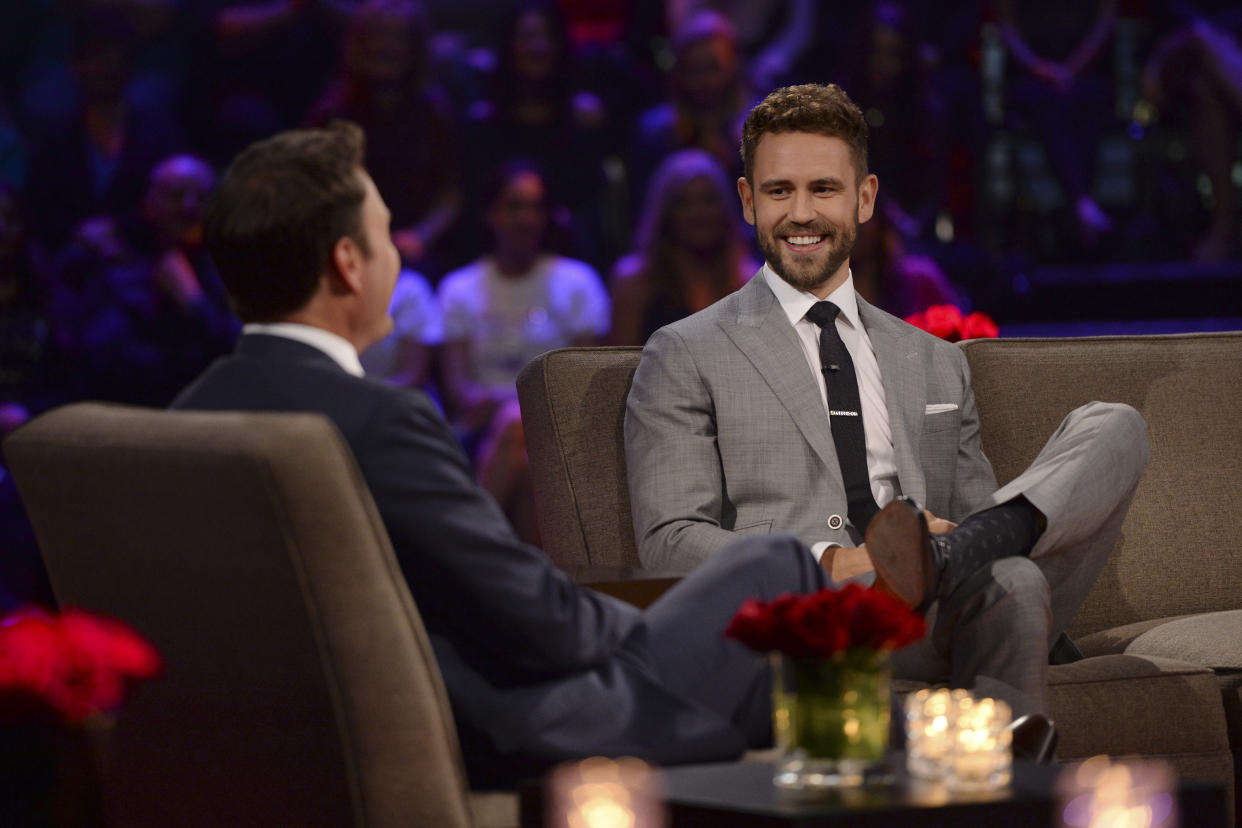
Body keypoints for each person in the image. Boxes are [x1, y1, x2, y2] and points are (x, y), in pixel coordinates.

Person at [170, 122, 844, 786]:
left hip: (296, 741)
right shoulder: (378, 423)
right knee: (776, 560)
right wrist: (640, 617)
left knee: (760, 673)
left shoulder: (185, 421)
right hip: (505, 727)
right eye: (383, 235)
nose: (397, 256)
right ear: (348, 263)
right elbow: (539, 623)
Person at [624, 84, 1150, 716]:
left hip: (940, 609)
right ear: (747, 201)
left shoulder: (933, 360)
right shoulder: (685, 351)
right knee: (1012, 580)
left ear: (864, 198)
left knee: (1112, 430)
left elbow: (976, 511)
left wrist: (945, 555)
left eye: (823, 189)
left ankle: (944, 564)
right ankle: (1015, 796)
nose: (800, 214)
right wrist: (841, 560)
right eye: (778, 191)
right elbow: (670, 539)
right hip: (810, 622)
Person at [438, 159, 609, 543]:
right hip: (482, 432)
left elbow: (586, 383)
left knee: (526, 439)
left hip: (561, 427)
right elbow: (459, 391)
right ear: (491, 214)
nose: (525, 219)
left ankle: (473, 545)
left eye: (535, 207)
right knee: (522, 440)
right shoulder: (460, 288)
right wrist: (512, 406)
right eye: (514, 206)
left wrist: (517, 405)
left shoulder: (577, 283)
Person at [609, 148, 757, 345]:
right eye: (684, 203)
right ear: (665, 213)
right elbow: (619, 367)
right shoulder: (634, 284)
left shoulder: (751, 283)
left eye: (708, 200)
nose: (699, 213)